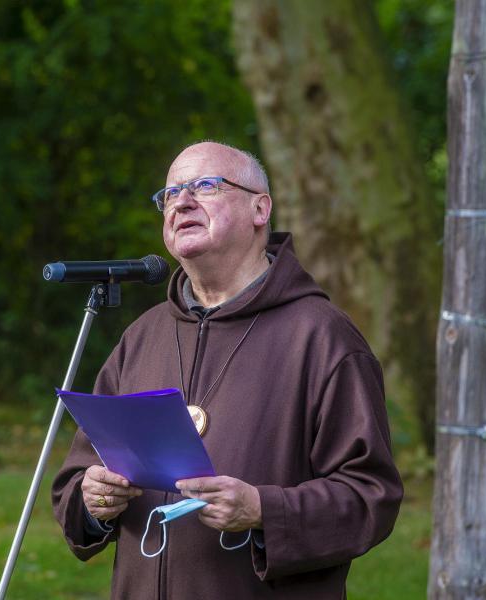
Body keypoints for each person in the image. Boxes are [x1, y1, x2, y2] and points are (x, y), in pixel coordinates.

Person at [51, 141, 403, 599]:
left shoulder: (321, 337)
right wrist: (93, 500)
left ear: (261, 209)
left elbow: (370, 495)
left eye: (205, 186)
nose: (181, 201)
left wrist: (263, 509)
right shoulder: (142, 337)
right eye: (170, 193)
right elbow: (77, 479)